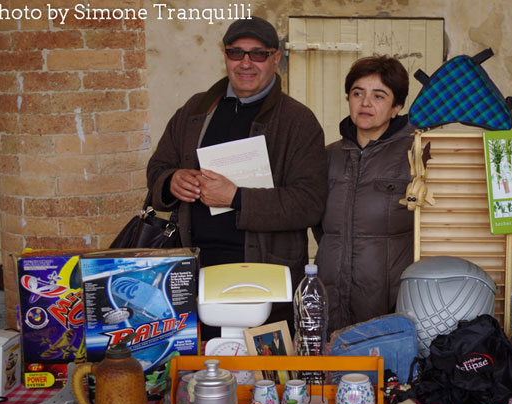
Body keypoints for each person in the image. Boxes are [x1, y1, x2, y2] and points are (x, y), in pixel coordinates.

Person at [147, 17, 328, 337]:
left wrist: (236, 198)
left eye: (258, 54)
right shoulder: (195, 110)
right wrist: (172, 181)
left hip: (265, 275)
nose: (246, 63)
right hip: (197, 269)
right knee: (200, 372)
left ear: (275, 59)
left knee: (263, 379)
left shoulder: (298, 121)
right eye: (236, 53)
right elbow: (158, 168)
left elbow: (309, 203)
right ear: (225, 57)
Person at [314, 55, 415, 334]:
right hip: (331, 291)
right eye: (357, 93)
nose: (365, 103)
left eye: (378, 96)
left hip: (389, 296)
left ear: (397, 107)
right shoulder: (329, 155)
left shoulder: (415, 154)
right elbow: (317, 221)